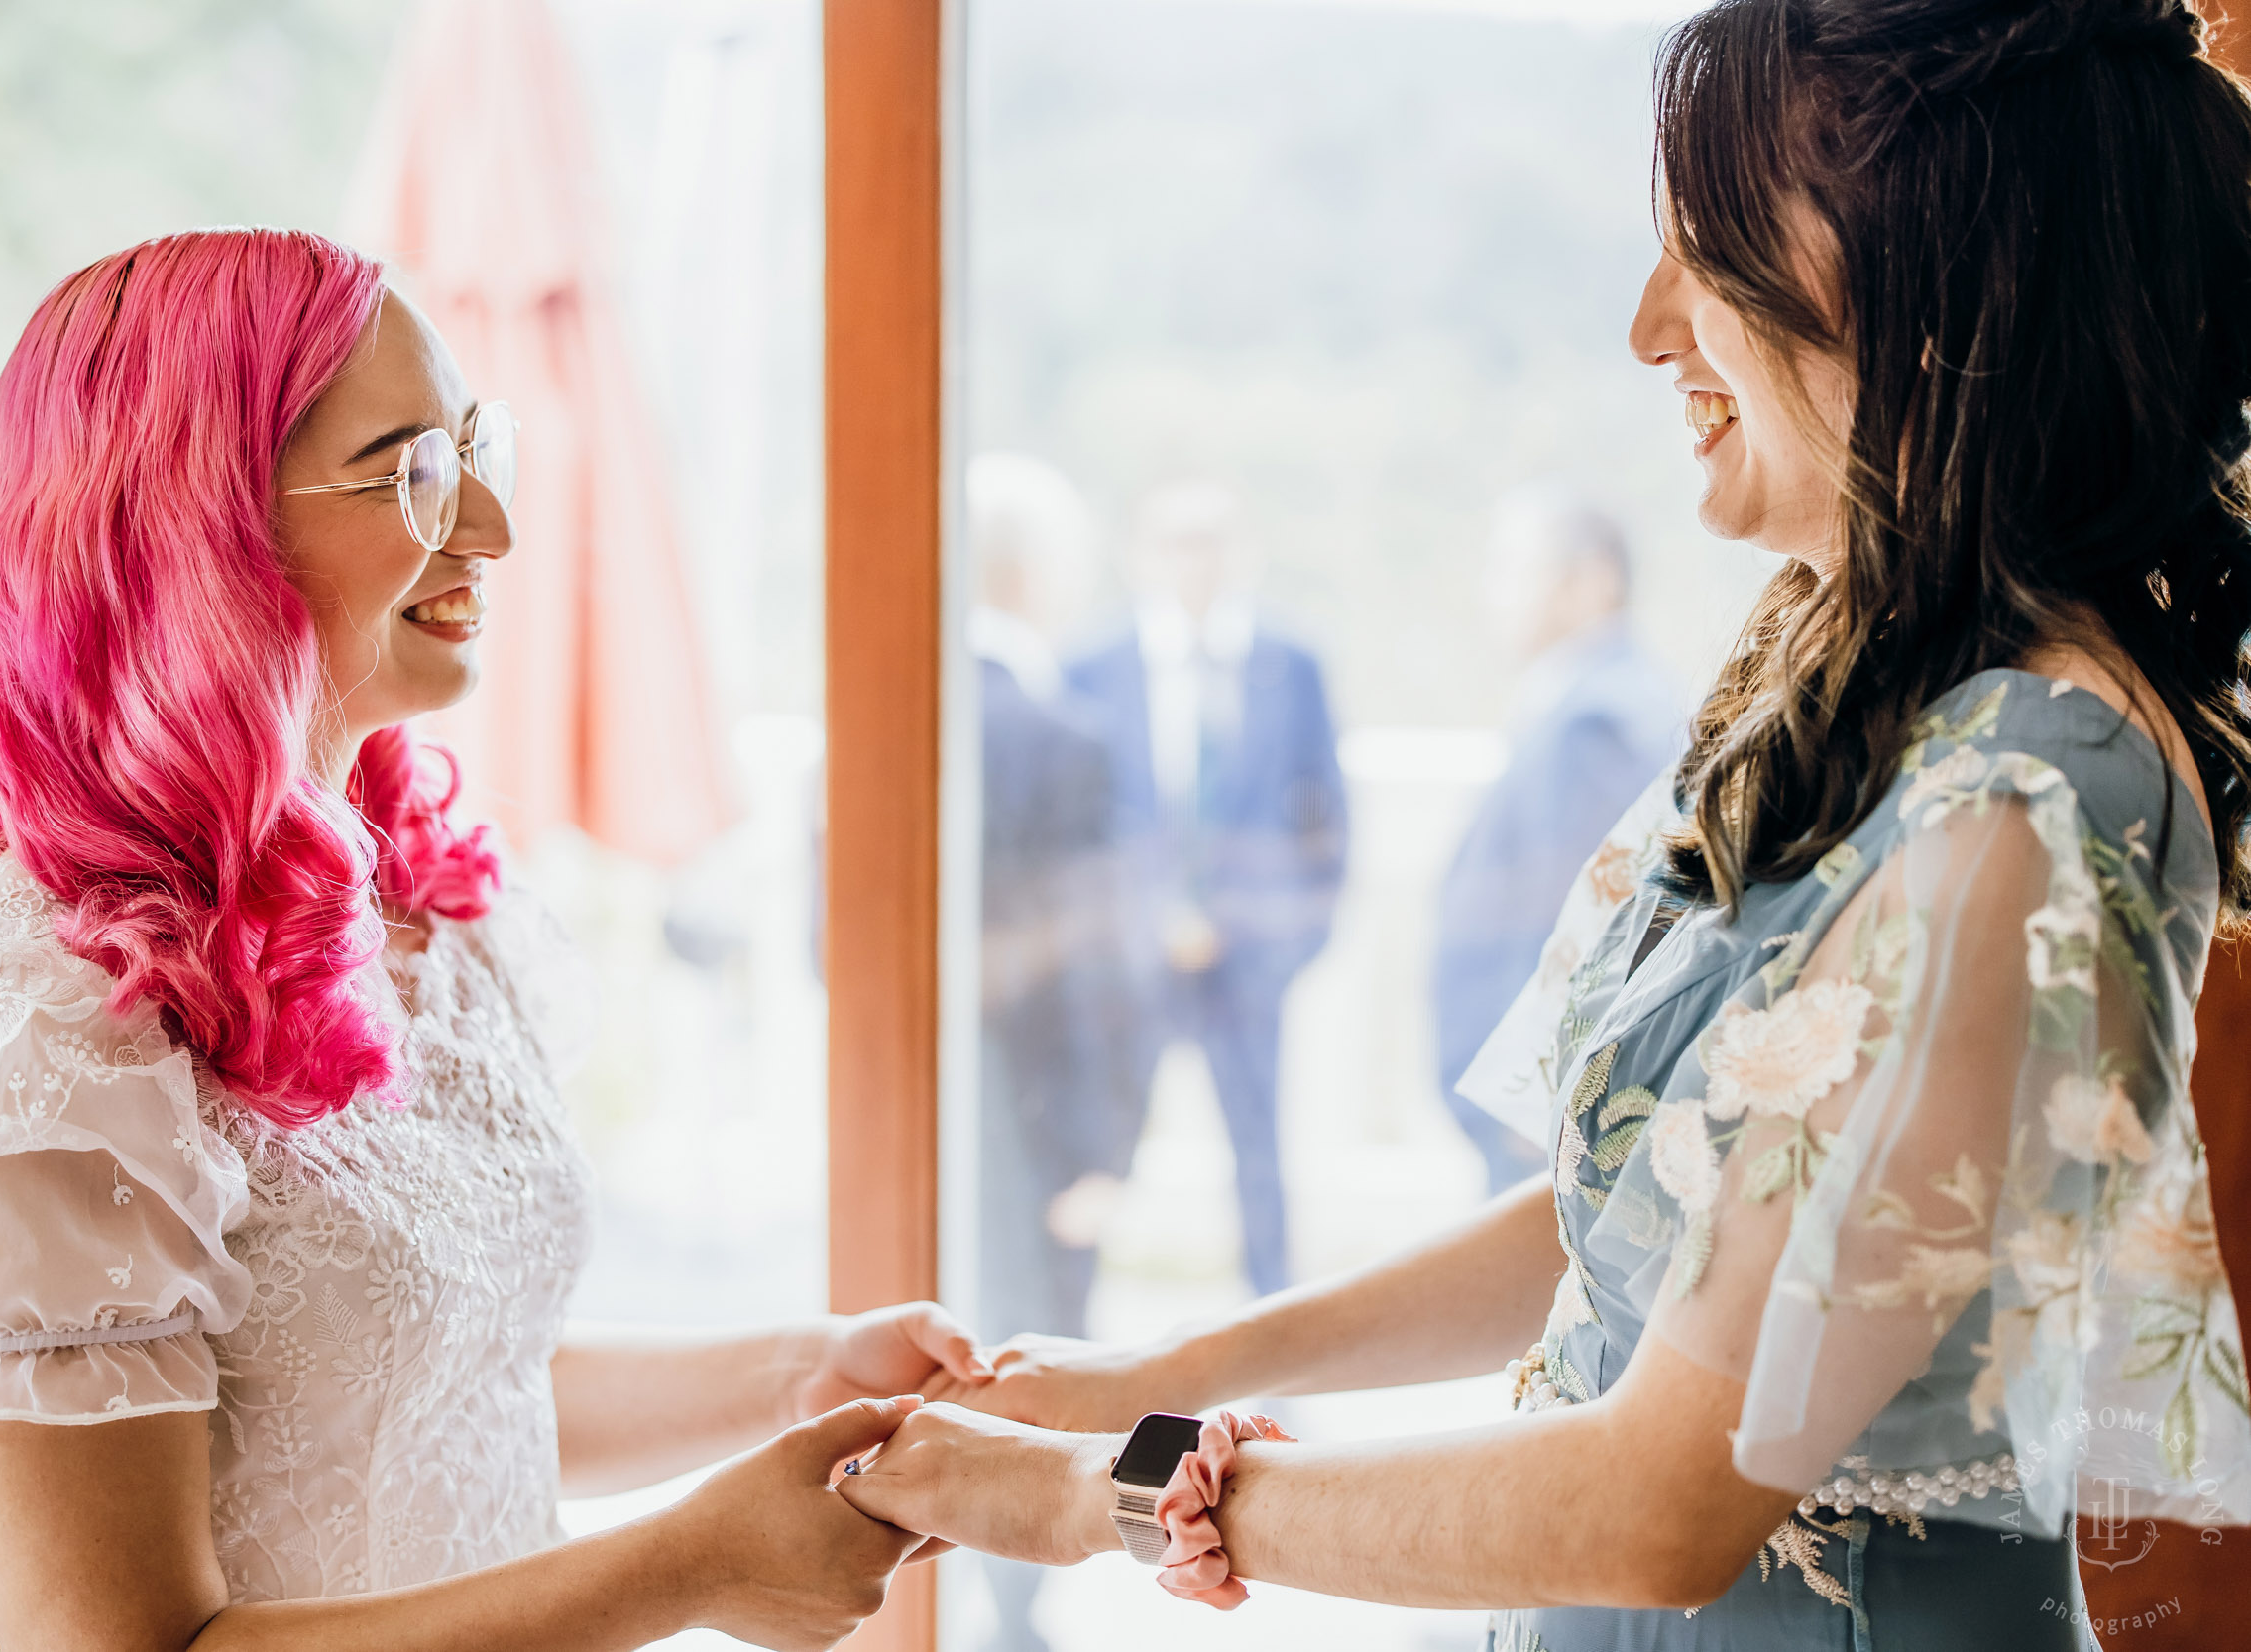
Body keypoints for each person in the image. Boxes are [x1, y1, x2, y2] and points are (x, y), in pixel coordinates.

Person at [836, 4, 2251, 1646]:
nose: (1650, 326)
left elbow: (1656, 1506)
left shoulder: (2025, 793)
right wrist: (1175, 1370)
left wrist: (1087, 1496)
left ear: (1937, 272)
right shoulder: (1898, 696)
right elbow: (1651, 1224)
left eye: (1705, 251)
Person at [0, 229, 989, 1650]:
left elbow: (438, 1386)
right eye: (415, 471)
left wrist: (801, 1369)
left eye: (473, 445)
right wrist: (681, 1567)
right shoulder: (46, 1028)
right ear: (202, 529)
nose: (491, 525)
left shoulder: (415, 888)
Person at [1065, 482, 1348, 1299]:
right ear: (1141, 554)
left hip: (1248, 962)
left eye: (1210, 540)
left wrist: (1291, 942)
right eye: (1176, 541)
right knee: (1099, 1148)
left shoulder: (1291, 664)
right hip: (1128, 963)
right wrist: (1129, 928)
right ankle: (1061, 1329)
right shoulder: (1091, 665)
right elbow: (1078, 828)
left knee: (1261, 1160)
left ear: (1239, 552)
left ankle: (1273, 1339)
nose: (1194, 560)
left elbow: (1327, 816)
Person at [965, 453, 1139, 1651]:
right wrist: (1102, 1140)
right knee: (1031, 1333)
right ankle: (1014, 1606)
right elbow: (1093, 972)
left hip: (929, 1084)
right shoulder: (1062, 733)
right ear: (1029, 574)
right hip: (1032, 1096)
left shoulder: (871, 718)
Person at [1433, 487, 1686, 1190]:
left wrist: (1538, 1084)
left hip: (1538, 1098)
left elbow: (1584, 914)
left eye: (1515, 568)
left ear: (1592, 579)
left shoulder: (1600, 720)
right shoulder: (1581, 696)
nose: (1496, 593)